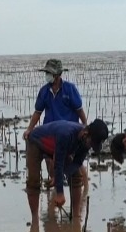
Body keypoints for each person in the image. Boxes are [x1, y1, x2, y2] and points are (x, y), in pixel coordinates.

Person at [22, 59, 88, 187]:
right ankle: (56, 186)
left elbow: (79, 110)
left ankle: (81, 188)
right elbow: (37, 112)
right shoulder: (44, 91)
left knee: (74, 165)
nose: (47, 75)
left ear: (57, 75)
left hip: (68, 134)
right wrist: (29, 129)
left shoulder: (70, 89)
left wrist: (85, 127)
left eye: (49, 73)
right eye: (46, 72)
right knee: (50, 161)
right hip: (50, 132)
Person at [26, 119, 108, 217]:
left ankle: (76, 216)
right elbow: (59, 164)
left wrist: (60, 177)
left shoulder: (85, 142)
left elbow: (77, 162)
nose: (90, 146)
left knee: (76, 176)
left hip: (57, 146)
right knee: (33, 181)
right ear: (86, 133)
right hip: (37, 142)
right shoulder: (66, 134)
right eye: (91, 143)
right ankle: (35, 219)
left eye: (93, 145)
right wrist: (60, 193)